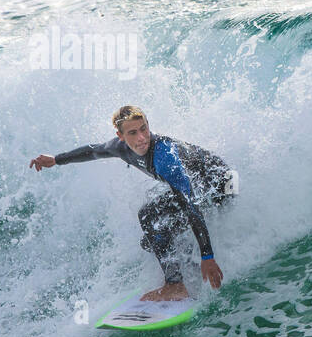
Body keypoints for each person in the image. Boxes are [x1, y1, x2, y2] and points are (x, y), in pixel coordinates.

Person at [30, 105, 234, 301]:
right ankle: (185, 268)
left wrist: (208, 256)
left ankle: (176, 286)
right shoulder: (120, 148)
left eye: (144, 128)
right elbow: (92, 151)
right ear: (121, 136)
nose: (142, 138)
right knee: (152, 240)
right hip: (198, 187)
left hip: (220, 186)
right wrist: (56, 159)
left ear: (148, 124)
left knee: (150, 218)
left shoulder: (165, 157)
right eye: (133, 133)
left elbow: (190, 204)